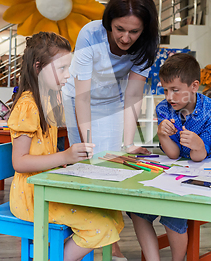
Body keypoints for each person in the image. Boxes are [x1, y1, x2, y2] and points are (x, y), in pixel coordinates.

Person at [8, 32, 124, 261]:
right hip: (31, 195)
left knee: (113, 215)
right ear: (38, 67)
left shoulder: (47, 100)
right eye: (61, 68)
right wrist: (66, 156)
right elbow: (19, 163)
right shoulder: (28, 105)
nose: (68, 74)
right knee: (101, 226)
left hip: (46, 188)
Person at [129, 53, 211, 261]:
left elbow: (199, 157)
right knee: (137, 211)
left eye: (175, 90)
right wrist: (162, 134)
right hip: (174, 174)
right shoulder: (163, 108)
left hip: (205, 176)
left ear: (194, 86)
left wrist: (198, 144)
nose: (169, 96)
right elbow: (172, 154)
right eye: (165, 90)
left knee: (173, 213)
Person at [63, 0, 160, 156]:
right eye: (119, 29)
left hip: (111, 98)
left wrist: (129, 144)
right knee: (85, 156)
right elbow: (83, 97)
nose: (125, 38)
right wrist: (88, 144)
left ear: (144, 29)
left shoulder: (147, 43)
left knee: (110, 156)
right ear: (110, 22)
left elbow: (134, 94)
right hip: (78, 96)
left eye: (134, 31)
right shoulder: (90, 35)